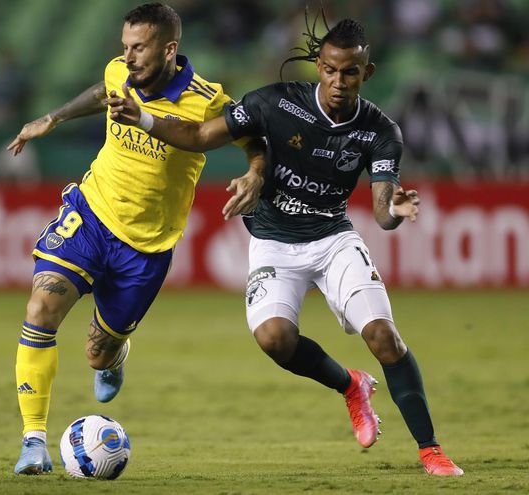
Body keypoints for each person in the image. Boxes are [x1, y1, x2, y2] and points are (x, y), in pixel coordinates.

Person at [107, 15, 464, 477]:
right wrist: (144, 118)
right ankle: (351, 385)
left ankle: (431, 450)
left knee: (384, 336)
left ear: (367, 72)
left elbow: (382, 213)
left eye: (350, 73)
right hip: (274, 242)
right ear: (319, 66)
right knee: (274, 339)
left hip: (333, 240)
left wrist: (395, 207)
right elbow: (198, 136)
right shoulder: (274, 103)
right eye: (330, 70)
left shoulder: (380, 131)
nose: (338, 82)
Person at [6, 2, 265, 475]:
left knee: (96, 354)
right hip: (91, 214)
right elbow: (101, 90)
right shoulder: (118, 72)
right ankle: (33, 441)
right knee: (41, 307)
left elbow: (253, 138)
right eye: (125, 47)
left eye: (139, 48)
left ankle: (114, 355)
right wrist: (54, 117)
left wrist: (256, 173)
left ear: (169, 49)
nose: (128, 57)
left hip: (145, 248)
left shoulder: (206, 100)